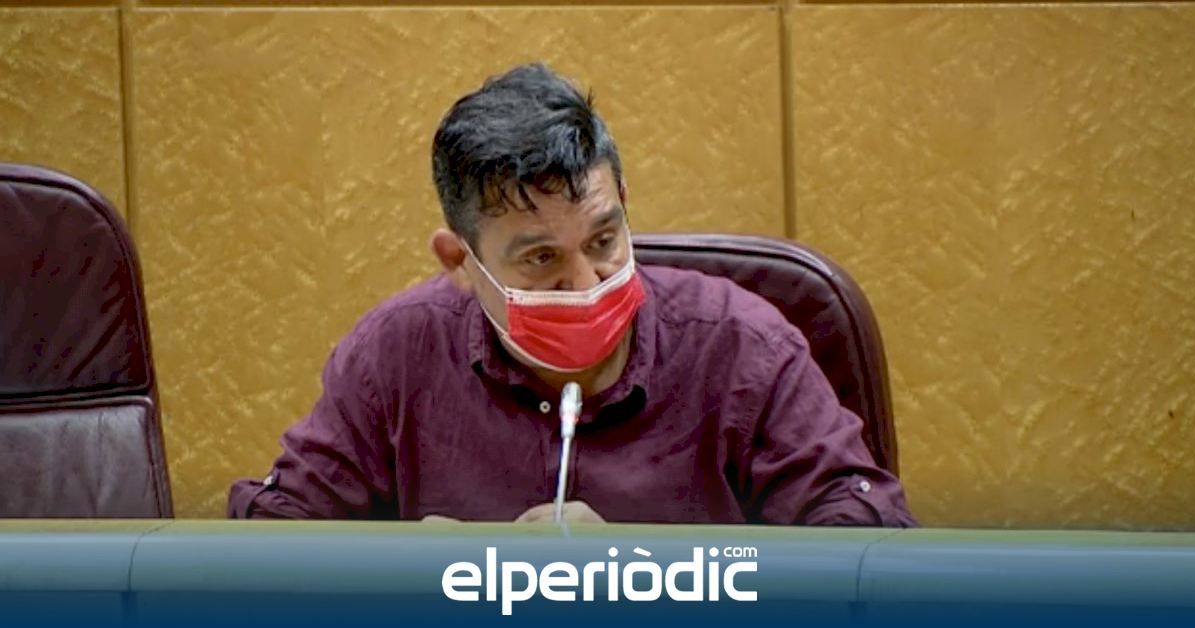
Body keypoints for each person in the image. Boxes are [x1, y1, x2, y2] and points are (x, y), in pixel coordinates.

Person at [228, 63, 916, 526]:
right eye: (541, 259)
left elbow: (866, 543)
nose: (587, 284)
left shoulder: (742, 345)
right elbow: (273, 547)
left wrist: (646, 577)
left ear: (624, 205)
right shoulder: (394, 357)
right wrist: (424, 574)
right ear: (460, 261)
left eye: (603, 240)